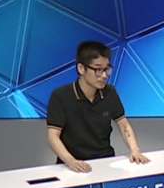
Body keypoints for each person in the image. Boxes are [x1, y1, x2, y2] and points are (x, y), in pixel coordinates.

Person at [46, 41, 150, 172]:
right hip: (71, 165)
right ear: (81, 68)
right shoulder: (60, 96)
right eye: (98, 70)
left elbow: (124, 125)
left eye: (107, 69)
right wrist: (70, 161)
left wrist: (135, 150)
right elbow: (53, 136)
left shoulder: (110, 92)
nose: (104, 75)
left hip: (104, 161)